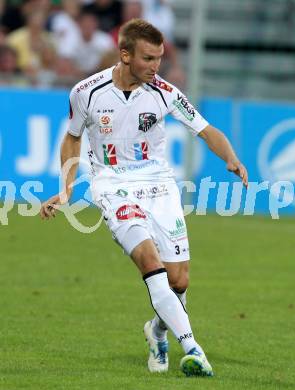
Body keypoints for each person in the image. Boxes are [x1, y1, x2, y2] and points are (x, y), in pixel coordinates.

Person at [40, 18, 248, 377]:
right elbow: (73, 138)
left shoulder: (165, 92)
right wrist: (66, 185)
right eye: (149, 58)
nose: (156, 66)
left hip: (159, 185)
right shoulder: (86, 92)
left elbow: (205, 129)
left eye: (160, 58)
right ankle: (193, 348)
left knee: (179, 279)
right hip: (111, 185)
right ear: (125, 55)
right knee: (150, 262)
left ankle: (156, 331)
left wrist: (230, 157)